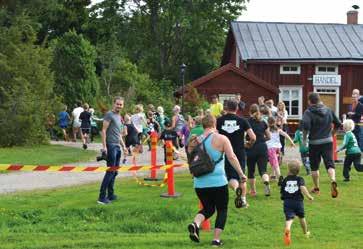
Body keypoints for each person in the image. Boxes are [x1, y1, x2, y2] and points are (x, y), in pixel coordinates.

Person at [187, 114, 247, 247]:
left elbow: (191, 161)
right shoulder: (222, 139)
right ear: (215, 124)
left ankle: (195, 224)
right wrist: (241, 174)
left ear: (203, 125)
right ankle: (216, 240)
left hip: (199, 182)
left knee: (208, 209)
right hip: (218, 181)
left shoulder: (194, 140)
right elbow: (231, 157)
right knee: (222, 209)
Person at [217, 99, 256, 208]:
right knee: (241, 175)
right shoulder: (243, 121)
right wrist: (249, 144)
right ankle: (243, 201)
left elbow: (214, 135)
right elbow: (253, 137)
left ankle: (235, 188)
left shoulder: (219, 121)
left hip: (225, 152)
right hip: (240, 151)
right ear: (237, 108)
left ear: (225, 108)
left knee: (230, 177)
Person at [302, 92, 341, 198]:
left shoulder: (308, 112)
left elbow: (305, 127)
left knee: (314, 167)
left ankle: (316, 188)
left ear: (310, 101)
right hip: (328, 141)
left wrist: (304, 141)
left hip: (314, 142)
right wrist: (332, 134)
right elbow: (338, 124)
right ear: (319, 99)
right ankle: (333, 180)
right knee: (329, 163)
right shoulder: (329, 110)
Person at [98, 97, 128, 205]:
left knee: (115, 172)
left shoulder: (119, 116)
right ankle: (101, 197)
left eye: (121, 104)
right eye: (117, 104)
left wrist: (124, 147)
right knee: (110, 172)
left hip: (117, 146)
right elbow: (104, 130)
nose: (119, 106)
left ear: (123, 106)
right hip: (110, 146)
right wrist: (104, 147)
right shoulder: (109, 114)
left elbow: (119, 134)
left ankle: (110, 194)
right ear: (114, 104)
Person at [280, 160, 314, 246]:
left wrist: (283, 199)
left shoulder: (285, 180)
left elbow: (282, 191)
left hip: (287, 202)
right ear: (299, 170)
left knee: (289, 218)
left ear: (288, 169)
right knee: (302, 217)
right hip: (298, 202)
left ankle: (288, 228)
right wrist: (309, 196)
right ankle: (305, 233)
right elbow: (302, 188)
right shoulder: (300, 179)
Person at [246, 104, 271, 197]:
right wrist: (261, 140)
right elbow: (269, 137)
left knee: (251, 170)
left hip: (250, 147)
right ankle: (266, 182)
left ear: (249, 112)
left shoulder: (247, 122)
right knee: (263, 170)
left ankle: (253, 191)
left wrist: (247, 142)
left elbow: (244, 135)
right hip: (262, 147)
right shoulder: (263, 122)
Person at [266, 116, 295, 184]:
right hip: (278, 148)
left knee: (275, 163)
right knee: (275, 162)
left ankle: (279, 177)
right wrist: (292, 142)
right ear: (275, 122)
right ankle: (273, 175)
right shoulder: (278, 129)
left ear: (267, 122)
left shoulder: (266, 130)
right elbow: (286, 135)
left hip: (270, 148)